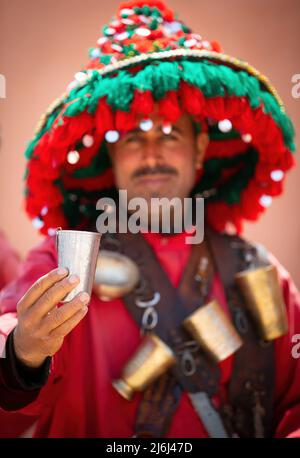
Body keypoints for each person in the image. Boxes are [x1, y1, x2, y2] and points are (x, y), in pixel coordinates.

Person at [0, 0, 299, 438]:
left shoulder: (261, 272)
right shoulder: (67, 261)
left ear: (200, 149)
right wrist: (22, 354)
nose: (153, 154)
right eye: (133, 137)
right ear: (112, 156)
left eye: (170, 133)